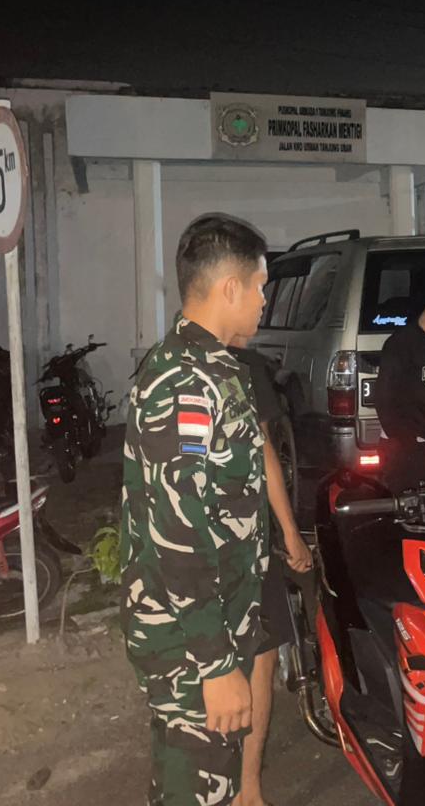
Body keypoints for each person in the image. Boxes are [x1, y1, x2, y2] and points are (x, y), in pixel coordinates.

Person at [120, 213, 271, 806]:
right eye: (259, 286)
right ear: (230, 288)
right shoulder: (186, 382)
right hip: (191, 641)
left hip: (212, 623)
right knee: (199, 786)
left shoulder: (211, 368)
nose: (264, 301)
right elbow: (176, 534)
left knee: (196, 781)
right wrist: (215, 664)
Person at [227, 335, 313, 806]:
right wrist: (290, 533)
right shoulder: (245, 366)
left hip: (187, 548)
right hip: (244, 541)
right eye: (258, 298)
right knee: (259, 657)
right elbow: (264, 455)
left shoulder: (167, 363)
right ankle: (249, 792)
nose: (262, 307)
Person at [375, 282, 425, 493]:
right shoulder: (400, 344)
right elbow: (384, 397)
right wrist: (405, 441)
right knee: (405, 504)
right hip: (402, 447)